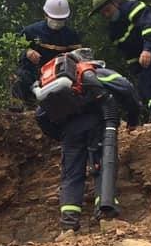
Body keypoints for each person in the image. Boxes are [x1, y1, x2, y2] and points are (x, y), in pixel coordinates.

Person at [33, 50, 141, 231]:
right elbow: (126, 88)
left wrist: (60, 135)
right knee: (101, 166)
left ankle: (68, 225)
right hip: (97, 124)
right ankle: (106, 216)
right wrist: (133, 119)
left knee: (71, 175)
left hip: (69, 132)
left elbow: (40, 116)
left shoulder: (56, 85)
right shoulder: (93, 72)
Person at [89, 0, 151, 121]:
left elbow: (149, 26)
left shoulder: (133, 7)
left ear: (115, 2)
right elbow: (129, 53)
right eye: (103, 13)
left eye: (108, 10)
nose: (106, 14)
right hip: (144, 55)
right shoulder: (114, 32)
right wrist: (137, 71)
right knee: (144, 84)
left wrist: (147, 49)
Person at [13, 0, 83, 102]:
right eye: (54, 19)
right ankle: (23, 104)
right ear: (45, 15)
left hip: (59, 77)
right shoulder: (31, 31)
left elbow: (79, 60)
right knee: (19, 76)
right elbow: (14, 50)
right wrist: (27, 52)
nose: (57, 23)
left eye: (60, 20)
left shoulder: (71, 36)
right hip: (34, 76)